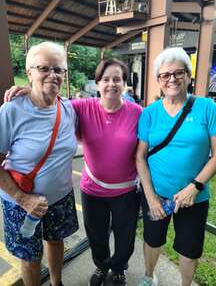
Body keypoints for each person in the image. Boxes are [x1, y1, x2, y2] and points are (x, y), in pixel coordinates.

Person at [5, 58, 142, 286]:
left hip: (126, 191)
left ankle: (118, 269)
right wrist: (29, 89)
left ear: (125, 84)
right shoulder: (80, 107)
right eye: (105, 79)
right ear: (97, 83)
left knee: (125, 236)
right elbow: (49, 98)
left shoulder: (138, 112)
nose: (111, 84)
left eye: (117, 79)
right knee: (96, 235)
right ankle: (101, 266)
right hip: (93, 189)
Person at [136, 47, 216, 286]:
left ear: (188, 76)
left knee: (189, 249)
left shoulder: (208, 108)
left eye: (178, 73)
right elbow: (140, 156)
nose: (172, 79)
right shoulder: (149, 113)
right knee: (153, 240)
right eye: (165, 75)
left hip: (194, 198)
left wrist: (194, 187)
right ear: (158, 80)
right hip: (157, 194)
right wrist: (151, 197)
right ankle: (147, 277)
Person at [0, 41, 79, 286]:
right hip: (20, 203)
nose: (52, 75)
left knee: (56, 242)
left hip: (61, 197)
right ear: (30, 71)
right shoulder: (11, 111)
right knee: (30, 258)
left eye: (58, 69)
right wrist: (24, 199)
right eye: (44, 68)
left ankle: (57, 283)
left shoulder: (68, 109)